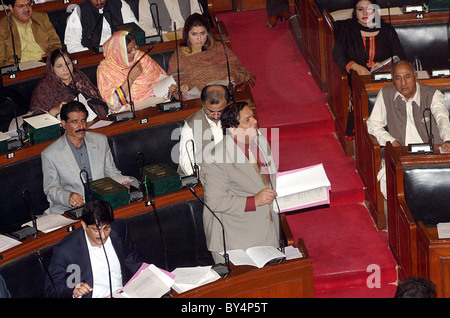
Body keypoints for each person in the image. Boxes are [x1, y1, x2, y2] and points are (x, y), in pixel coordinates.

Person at [200, 102, 279, 262]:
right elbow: (215, 202)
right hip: (236, 240)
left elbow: (267, 179)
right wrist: (254, 200)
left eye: (253, 117)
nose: (254, 122)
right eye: (247, 120)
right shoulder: (215, 159)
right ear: (232, 128)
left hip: (267, 231)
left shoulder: (261, 142)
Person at [367, 60, 450, 198]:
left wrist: (447, 139)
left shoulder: (432, 94)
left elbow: (443, 118)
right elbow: (372, 124)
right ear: (393, 80)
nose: (403, 83)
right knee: (390, 179)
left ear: (415, 76)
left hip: (431, 153)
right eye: (398, 78)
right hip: (402, 153)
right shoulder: (386, 93)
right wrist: (391, 141)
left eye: (407, 77)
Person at [41, 101, 134, 214]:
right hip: (71, 210)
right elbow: (51, 189)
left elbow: (111, 172)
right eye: (75, 122)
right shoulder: (50, 154)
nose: (81, 126)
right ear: (64, 124)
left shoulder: (100, 141)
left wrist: (121, 182)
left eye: (83, 120)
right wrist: (69, 196)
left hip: (102, 204)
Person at [332, 0, 405, 138]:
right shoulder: (345, 28)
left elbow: (399, 57)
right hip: (355, 79)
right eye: (360, 9)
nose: (365, 13)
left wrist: (384, 65)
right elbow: (338, 54)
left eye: (369, 9)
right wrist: (356, 67)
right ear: (355, 11)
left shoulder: (387, 30)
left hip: (384, 79)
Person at [44, 200, 144, 298]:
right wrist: (73, 291)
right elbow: (51, 290)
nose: (103, 235)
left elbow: (132, 259)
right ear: (84, 225)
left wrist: (148, 277)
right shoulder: (66, 250)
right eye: (96, 230)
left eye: (107, 228)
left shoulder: (119, 229)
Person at [167, 13, 255, 97]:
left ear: (208, 33)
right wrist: (182, 86)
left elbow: (239, 69)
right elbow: (173, 81)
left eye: (202, 33)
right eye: (194, 34)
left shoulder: (218, 47)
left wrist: (233, 77)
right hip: (196, 99)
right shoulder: (180, 55)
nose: (199, 38)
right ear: (187, 34)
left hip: (223, 94)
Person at [30, 48, 108, 121]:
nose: (65, 69)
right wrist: (56, 110)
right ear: (52, 68)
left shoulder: (79, 79)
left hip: (91, 122)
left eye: (68, 63)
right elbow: (37, 119)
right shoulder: (45, 88)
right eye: (59, 66)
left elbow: (98, 103)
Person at [97, 31, 166, 112]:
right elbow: (114, 105)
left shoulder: (140, 57)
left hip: (153, 105)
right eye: (130, 50)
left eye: (135, 47)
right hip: (127, 112)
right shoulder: (105, 69)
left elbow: (161, 80)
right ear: (119, 51)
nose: (134, 52)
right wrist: (131, 78)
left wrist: (170, 87)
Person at [178, 84, 230, 176]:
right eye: (211, 111)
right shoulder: (192, 124)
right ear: (203, 104)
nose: (216, 115)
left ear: (227, 104)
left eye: (220, 111)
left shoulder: (237, 118)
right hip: (205, 178)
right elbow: (186, 163)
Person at [0, 0, 62, 67]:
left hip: (45, 63)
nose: (26, 9)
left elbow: (56, 44)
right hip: (21, 69)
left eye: (28, 4)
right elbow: (1, 61)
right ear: (11, 8)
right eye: (21, 6)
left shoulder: (42, 18)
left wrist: (49, 55)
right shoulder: (2, 27)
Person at [64, 0, 138, 53]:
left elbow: (135, 32)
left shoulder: (119, 5)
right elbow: (71, 43)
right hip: (94, 58)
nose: (99, 2)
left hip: (122, 53)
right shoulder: (80, 11)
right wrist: (90, 54)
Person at [138, 0, 202, 37]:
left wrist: (188, 30)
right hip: (164, 42)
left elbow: (199, 16)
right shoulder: (145, 1)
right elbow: (143, 28)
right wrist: (167, 34)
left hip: (191, 37)